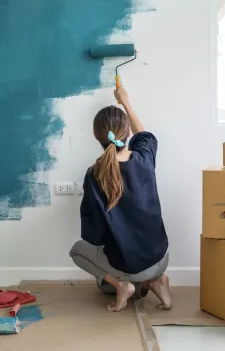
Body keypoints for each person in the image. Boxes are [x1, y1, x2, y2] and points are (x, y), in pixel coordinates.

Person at [69, 86, 171, 312]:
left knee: (77, 251)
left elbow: (94, 235)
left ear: (96, 136)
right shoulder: (144, 158)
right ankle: (156, 280)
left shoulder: (94, 174)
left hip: (132, 265)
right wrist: (125, 101)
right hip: (161, 257)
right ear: (127, 133)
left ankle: (122, 284)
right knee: (118, 270)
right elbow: (143, 134)